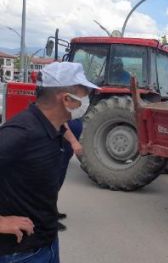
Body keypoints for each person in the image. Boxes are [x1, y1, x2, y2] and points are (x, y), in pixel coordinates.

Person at [0, 62, 99, 262]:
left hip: (47, 243)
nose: (87, 99)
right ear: (66, 99)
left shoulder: (54, 128)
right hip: (20, 254)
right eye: (85, 93)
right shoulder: (20, 134)